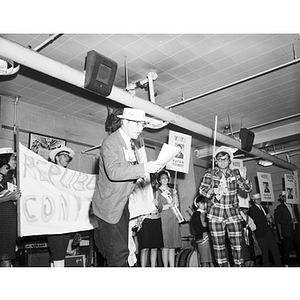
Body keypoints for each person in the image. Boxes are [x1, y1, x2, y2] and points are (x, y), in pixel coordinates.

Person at [92, 108, 163, 267]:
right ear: (124, 121)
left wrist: (149, 169)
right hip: (109, 207)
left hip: (121, 205)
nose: (141, 127)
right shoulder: (111, 142)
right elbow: (114, 172)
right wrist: (144, 168)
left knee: (120, 252)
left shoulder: (130, 144)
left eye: (142, 124)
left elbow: (129, 173)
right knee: (118, 255)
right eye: (137, 123)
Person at [199, 146, 252, 267]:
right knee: (219, 246)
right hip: (215, 214)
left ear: (229, 161)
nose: (222, 161)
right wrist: (214, 190)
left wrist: (244, 179)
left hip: (233, 213)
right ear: (216, 161)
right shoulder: (210, 173)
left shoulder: (236, 173)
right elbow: (202, 190)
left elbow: (248, 189)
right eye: (220, 159)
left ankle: (238, 267)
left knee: (237, 245)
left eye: (225, 159)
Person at [46, 146, 75, 267]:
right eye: (64, 155)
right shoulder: (49, 173)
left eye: (68, 156)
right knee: (58, 251)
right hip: (54, 217)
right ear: (57, 157)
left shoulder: (70, 175)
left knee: (60, 251)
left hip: (66, 217)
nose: (67, 158)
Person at [136, 174, 164, 267]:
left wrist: (158, 205)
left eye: (154, 180)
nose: (153, 182)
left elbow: (160, 208)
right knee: (145, 248)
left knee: (154, 247)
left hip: (156, 220)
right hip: (146, 221)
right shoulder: (141, 192)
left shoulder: (157, 192)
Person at [155, 170, 182, 267]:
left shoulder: (172, 190)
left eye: (166, 177)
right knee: (165, 245)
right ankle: (165, 267)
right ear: (159, 180)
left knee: (172, 246)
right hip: (164, 219)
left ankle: (172, 267)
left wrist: (175, 195)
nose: (165, 179)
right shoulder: (157, 191)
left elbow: (176, 205)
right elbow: (159, 207)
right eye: (162, 178)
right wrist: (169, 205)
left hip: (173, 218)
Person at [0, 147, 21, 267]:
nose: (15, 162)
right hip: (3, 226)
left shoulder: (9, 179)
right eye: (13, 159)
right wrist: (11, 197)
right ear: (5, 160)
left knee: (8, 258)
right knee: (5, 258)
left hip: (9, 226)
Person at [248, 193, 281, 266]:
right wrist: (265, 217)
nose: (259, 200)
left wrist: (271, 220)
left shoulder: (265, 208)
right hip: (261, 234)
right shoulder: (252, 209)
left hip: (269, 231)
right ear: (253, 200)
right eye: (257, 199)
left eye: (259, 199)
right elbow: (255, 220)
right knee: (264, 254)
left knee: (276, 251)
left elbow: (269, 218)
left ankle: (279, 266)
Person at [275, 191, 300, 266]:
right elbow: (278, 220)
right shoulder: (280, 207)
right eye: (284, 197)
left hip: (297, 228)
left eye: (286, 196)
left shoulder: (294, 205)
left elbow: (297, 215)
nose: (285, 198)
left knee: (299, 246)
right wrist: (289, 221)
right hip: (288, 230)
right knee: (287, 248)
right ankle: (286, 264)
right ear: (282, 198)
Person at [190, 195, 214, 267]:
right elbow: (197, 228)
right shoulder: (196, 215)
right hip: (203, 238)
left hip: (211, 238)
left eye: (205, 203)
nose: (204, 205)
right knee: (204, 260)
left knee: (213, 259)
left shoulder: (209, 213)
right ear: (197, 204)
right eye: (201, 203)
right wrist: (207, 229)